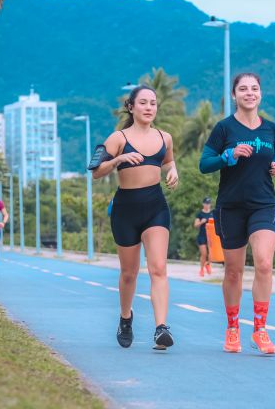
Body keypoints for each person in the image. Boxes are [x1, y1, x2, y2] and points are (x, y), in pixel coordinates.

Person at [199, 72, 275, 355]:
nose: (250, 93)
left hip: (263, 203)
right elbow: (204, 164)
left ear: (261, 93)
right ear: (234, 95)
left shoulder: (270, 128)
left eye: (255, 88)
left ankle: (260, 329)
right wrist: (229, 156)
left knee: (263, 263)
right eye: (244, 89)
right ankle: (233, 328)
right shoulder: (225, 128)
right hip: (231, 207)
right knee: (234, 271)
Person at [90, 84, 179, 351]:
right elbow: (95, 171)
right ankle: (126, 318)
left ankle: (161, 328)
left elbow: (168, 161)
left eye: (153, 103)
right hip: (125, 209)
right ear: (131, 107)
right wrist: (119, 160)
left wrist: (173, 171)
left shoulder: (165, 138)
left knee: (158, 268)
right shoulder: (118, 138)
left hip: (155, 207)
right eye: (143, 103)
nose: (149, 107)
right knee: (129, 273)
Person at [193, 197, 213, 277]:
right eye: (206, 203)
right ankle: (201, 269)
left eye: (209, 203)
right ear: (203, 204)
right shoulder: (200, 214)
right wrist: (201, 222)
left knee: (211, 254)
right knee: (204, 254)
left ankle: (207, 264)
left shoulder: (212, 213)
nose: (207, 205)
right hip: (202, 236)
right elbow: (195, 225)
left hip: (211, 237)